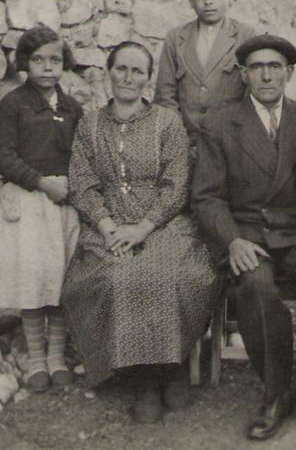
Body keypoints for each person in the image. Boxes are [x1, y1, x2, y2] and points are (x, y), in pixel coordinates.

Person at [192, 34, 296, 441]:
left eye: (274, 67)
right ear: (244, 74)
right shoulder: (219, 123)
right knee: (257, 287)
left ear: (289, 73)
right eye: (257, 67)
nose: (266, 75)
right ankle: (276, 394)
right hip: (248, 237)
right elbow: (206, 197)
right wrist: (232, 241)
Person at [62, 41, 220, 424]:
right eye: (121, 69)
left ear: (148, 79)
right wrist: (108, 226)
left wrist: (144, 227)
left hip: (163, 223)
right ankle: (144, 379)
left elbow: (177, 183)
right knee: (118, 276)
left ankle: (172, 365)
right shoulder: (90, 125)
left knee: (172, 273)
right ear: (108, 72)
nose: (128, 78)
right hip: (108, 226)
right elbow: (82, 184)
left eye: (137, 71)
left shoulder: (167, 122)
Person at [0, 26, 83, 392]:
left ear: (64, 63)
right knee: (32, 280)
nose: (47, 67)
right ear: (25, 63)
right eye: (39, 60)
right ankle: (36, 361)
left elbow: (83, 154)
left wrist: (72, 186)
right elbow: (4, 157)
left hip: (64, 204)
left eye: (55, 60)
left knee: (58, 280)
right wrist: (42, 183)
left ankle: (58, 358)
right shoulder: (13, 104)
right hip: (30, 201)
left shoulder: (72, 107)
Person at [154, 0, 255, 142]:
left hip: (230, 142)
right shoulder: (175, 38)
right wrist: (178, 137)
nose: (208, 0)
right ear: (190, 1)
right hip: (186, 141)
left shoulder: (245, 35)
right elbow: (165, 95)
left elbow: (251, 94)